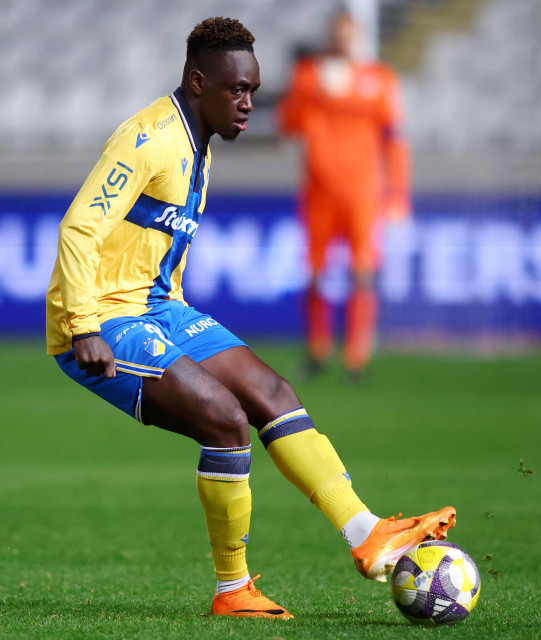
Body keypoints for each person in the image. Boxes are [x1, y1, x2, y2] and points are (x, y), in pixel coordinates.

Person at [46, 17, 453, 619]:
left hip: (158, 307)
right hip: (101, 318)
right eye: (236, 90)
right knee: (225, 420)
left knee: (273, 392)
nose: (248, 104)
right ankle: (232, 589)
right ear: (198, 82)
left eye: (254, 91)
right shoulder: (147, 138)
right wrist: (82, 325)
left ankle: (366, 533)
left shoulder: (199, 145)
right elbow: (80, 227)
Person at [277, 11, 412, 380]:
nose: (343, 40)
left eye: (350, 34)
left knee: (363, 271)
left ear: (360, 37)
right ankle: (317, 349)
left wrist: (398, 193)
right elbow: (287, 124)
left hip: (363, 191)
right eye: (338, 33)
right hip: (319, 189)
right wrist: (310, 90)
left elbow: (394, 140)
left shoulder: (380, 79)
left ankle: (357, 356)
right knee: (315, 271)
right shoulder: (308, 76)